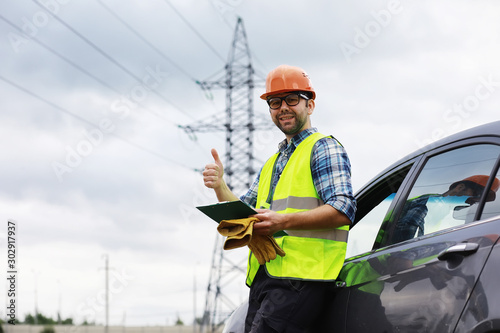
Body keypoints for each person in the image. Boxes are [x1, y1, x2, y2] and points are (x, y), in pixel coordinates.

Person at [203, 64, 356, 332]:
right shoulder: (272, 163)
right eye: (275, 102)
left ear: (310, 105)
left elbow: (343, 209)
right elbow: (245, 212)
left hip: (301, 280)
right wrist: (219, 186)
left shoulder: (323, 147)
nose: (283, 107)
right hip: (266, 277)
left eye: (292, 99)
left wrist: (281, 222)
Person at [393, 175, 500, 243]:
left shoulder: (445, 212)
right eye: (476, 194)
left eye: (479, 199)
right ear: (460, 187)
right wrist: (405, 257)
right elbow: (406, 228)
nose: (475, 201)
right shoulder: (433, 204)